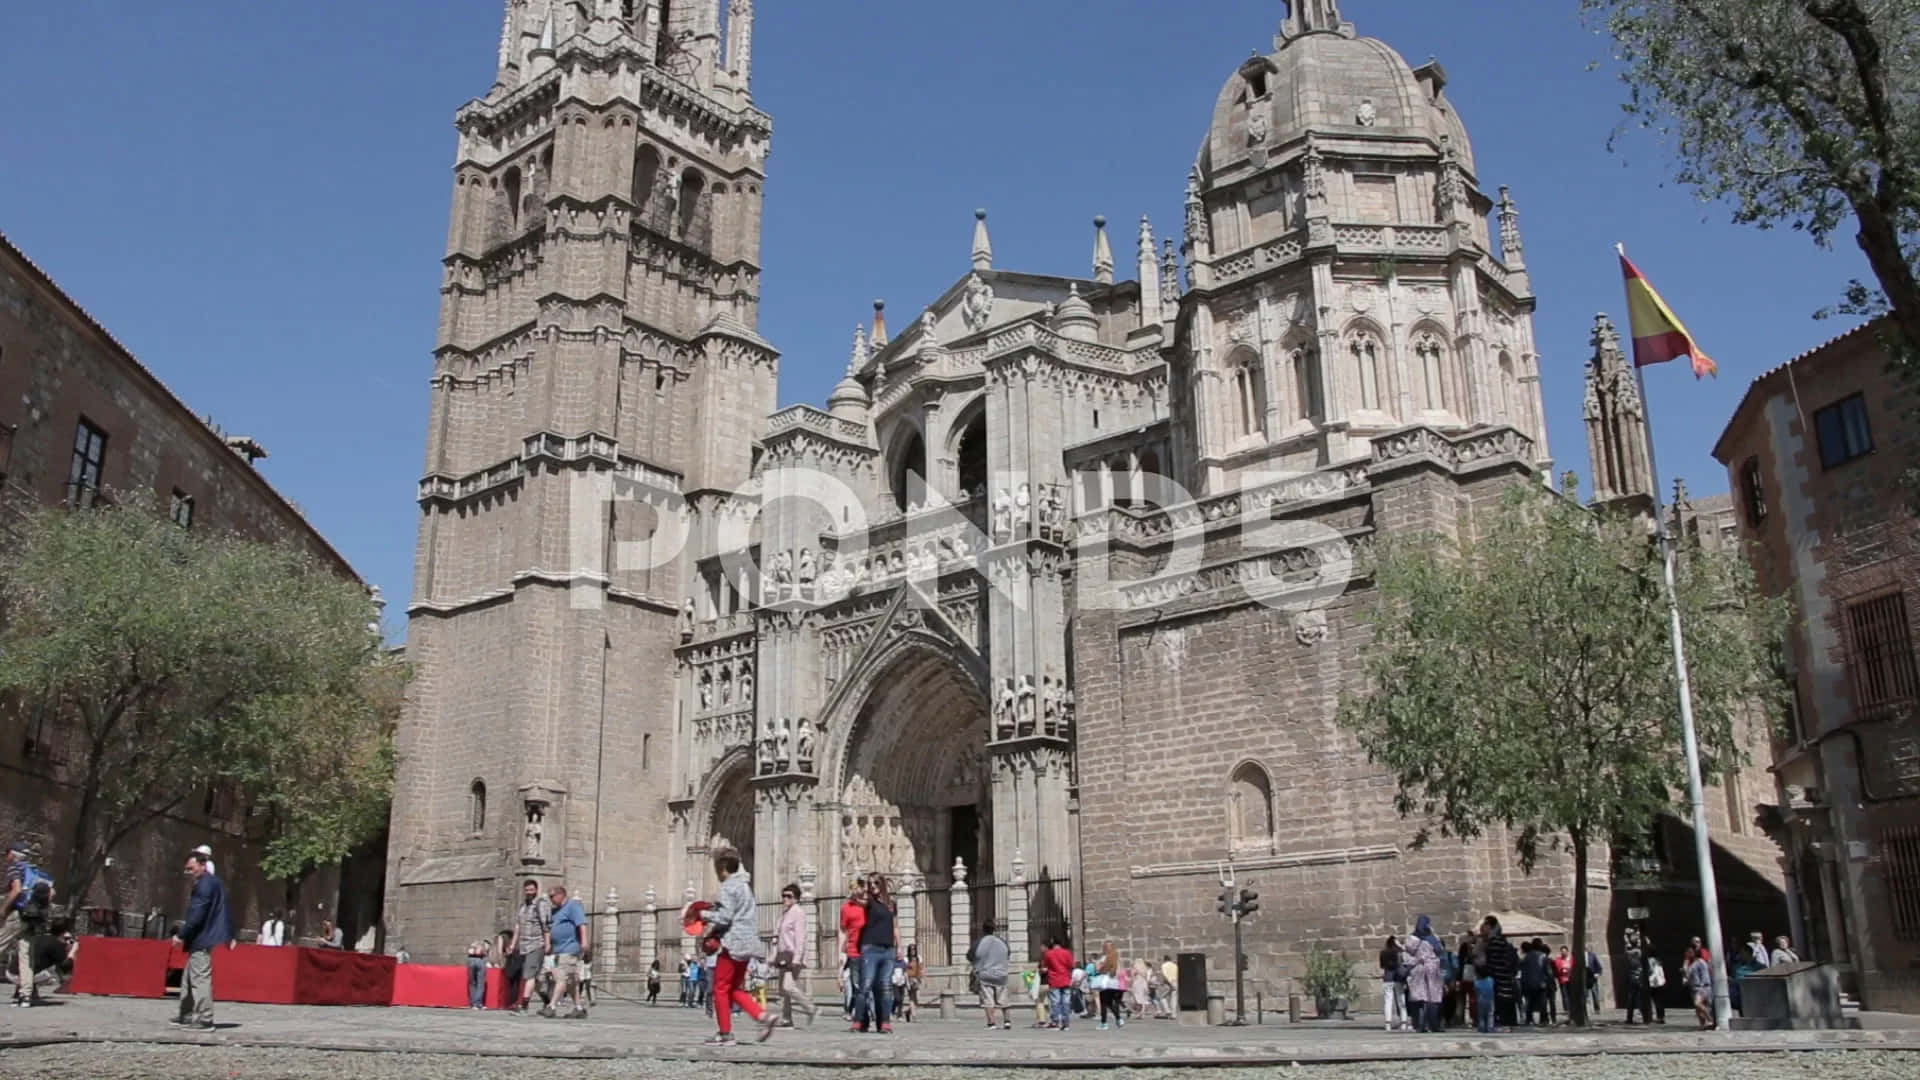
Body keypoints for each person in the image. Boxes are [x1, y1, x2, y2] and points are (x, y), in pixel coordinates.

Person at [697, 846, 777, 1046]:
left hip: (732, 944)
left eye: (716, 867)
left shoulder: (728, 887)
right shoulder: (744, 886)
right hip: (748, 943)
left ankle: (725, 1034)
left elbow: (725, 917)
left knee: (721, 988)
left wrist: (704, 915)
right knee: (735, 988)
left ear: (722, 866)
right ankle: (763, 1017)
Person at [170, 850, 231, 1031]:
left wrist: (181, 935)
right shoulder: (213, 883)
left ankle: (204, 1018)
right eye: (187, 869)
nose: (189, 872)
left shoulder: (204, 886)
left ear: (202, 865)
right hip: (204, 936)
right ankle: (186, 1014)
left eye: (191, 868)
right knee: (189, 978)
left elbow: (197, 915)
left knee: (199, 979)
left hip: (201, 937)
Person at [852, 874, 899, 1034]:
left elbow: (895, 926)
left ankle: (884, 1022)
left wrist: (899, 946)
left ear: (883, 883)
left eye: (876, 883)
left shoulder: (891, 904)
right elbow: (858, 898)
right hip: (870, 948)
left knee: (885, 986)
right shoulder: (869, 902)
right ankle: (858, 1021)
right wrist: (859, 885)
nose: (873, 886)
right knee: (866, 985)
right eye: (870, 883)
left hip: (888, 950)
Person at [774, 881, 817, 1028]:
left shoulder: (798, 913)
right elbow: (778, 935)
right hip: (783, 956)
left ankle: (810, 1008)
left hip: (793, 956)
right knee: (783, 990)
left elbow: (801, 937)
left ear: (796, 898)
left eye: (789, 896)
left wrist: (797, 958)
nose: (785, 899)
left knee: (788, 987)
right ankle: (786, 1018)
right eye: (783, 896)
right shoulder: (785, 913)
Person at [544, 884, 588, 1019]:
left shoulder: (573, 906)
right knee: (571, 981)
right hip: (558, 949)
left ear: (561, 894)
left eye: (552, 896)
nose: (551, 899)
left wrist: (584, 941)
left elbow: (581, 924)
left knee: (561, 978)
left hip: (569, 948)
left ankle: (551, 1006)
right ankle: (579, 1008)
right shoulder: (556, 911)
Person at [507, 879, 552, 1013]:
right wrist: (513, 944)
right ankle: (547, 1001)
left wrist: (548, 943)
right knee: (535, 978)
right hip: (523, 945)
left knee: (529, 975)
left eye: (531, 890)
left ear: (536, 890)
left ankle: (524, 1005)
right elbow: (517, 926)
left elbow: (546, 926)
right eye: (527, 890)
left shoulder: (541, 904)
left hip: (536, 944)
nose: (529, 892)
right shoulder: (522, 906)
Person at [970, 918, 1012, 1030]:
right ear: (994, 929)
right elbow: (1008, 953)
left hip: (985, 974)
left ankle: (991, 1023)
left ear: (983, 930)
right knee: (1003, 998)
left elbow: (970, 955)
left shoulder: (979, 942)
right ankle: (1007, 1021)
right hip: (1001, 974)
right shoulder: (1002, 942)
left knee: (988, 998)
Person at [839, 880, 867, 1021]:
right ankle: (858, 1011)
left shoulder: (869, 906)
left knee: (869, 982)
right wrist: (841, 951)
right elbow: (843, 930)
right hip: (854, 950)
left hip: (870, 949)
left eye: (856, 888)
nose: (854, 891)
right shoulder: (846, 908)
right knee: (856, 984)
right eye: (852, 888)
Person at [1408, 934, 1444, 1033]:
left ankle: (1420, 1025)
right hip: (1433, 971)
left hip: (1419, 971)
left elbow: (1408, 955)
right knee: (1433, 1000)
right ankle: (1434, 1025)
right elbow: (1440, 950)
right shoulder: (1434, 939)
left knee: (1421, 1001)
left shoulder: (1413, 940)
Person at [1041, 937, 1075, 1031]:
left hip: (1054, 980)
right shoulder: (1067, 953)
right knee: (1066, 1002)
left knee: (1055, 1002)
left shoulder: (1048, 954)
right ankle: (1066, 1022)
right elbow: (1071, 966)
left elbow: (1045, 967)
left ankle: (1055, 1021)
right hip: (1066, 979)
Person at [1378, 935, 1408, 1032]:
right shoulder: (1398, 953)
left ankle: (1388, 1024)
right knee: (1401, 1000)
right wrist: (1400, 945)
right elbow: (1402, 961)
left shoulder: (1382, 952)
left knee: (1388, 1001)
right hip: (1398, 978)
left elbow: (1382, 966)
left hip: (1387, 978)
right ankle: (1403, 1022)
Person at [1095, 941, 1124, 1030]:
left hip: (1105, 981)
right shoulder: (1117, 958)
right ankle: (1118, 1019)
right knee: (1110, 1002)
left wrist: (1098, 967)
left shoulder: (1105, 958)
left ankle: (1104, 1023)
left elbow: (1098, 969)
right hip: (1114, 982)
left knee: (1104, 1002)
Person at [1685, 945, 1713, 1029]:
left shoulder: (1700, 962)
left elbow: (1705, 974)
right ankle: (1702, 1024)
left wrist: (1703, 984)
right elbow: (1689, 975)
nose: (1688, 954)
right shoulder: (1692, 963)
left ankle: (1710, 1020)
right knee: (1698, 1010)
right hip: (1694, 987)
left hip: (1702, 987)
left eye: (1690, 952)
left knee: (1698, 1003)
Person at [466, 937, 492, 1009]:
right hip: (480, 960)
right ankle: (477, 1003)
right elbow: (485, 953)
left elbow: (469, 951)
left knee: (472, 983)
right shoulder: (485, 944)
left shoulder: (474, 943)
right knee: (480, 984)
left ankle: (474, 1004)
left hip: (471, 960)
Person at [1585, 943, 1604, 1016]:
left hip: (1592, 978)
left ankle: (1597, 1009)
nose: (1586, 949)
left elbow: (1599, 967)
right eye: (1585, 948)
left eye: (1587, 948)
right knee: (1585, 995)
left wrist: (1597, 973)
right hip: (1584, 978)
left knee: (1595, 993)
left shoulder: (1592, 955)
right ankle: (1587, 1010)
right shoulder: (1580, 956)